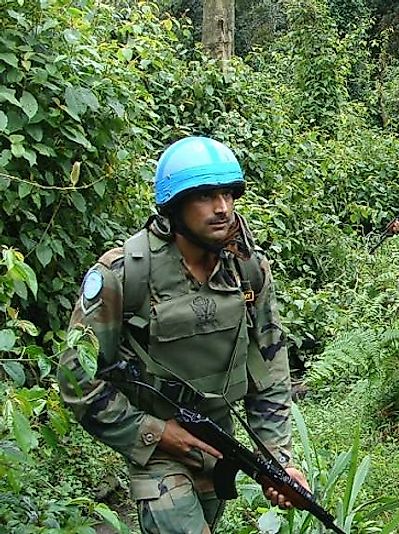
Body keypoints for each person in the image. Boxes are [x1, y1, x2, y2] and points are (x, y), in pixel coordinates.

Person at [57, 136, 306, 533]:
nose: (222, 208)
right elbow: (75, 380)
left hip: (218, 440)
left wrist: (280, 461)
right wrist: (152, 433)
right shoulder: (122, 275)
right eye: (205, 196)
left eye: (227, 194)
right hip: (156, 448)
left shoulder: (248, 269)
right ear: (174, 205)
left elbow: (271, 368)